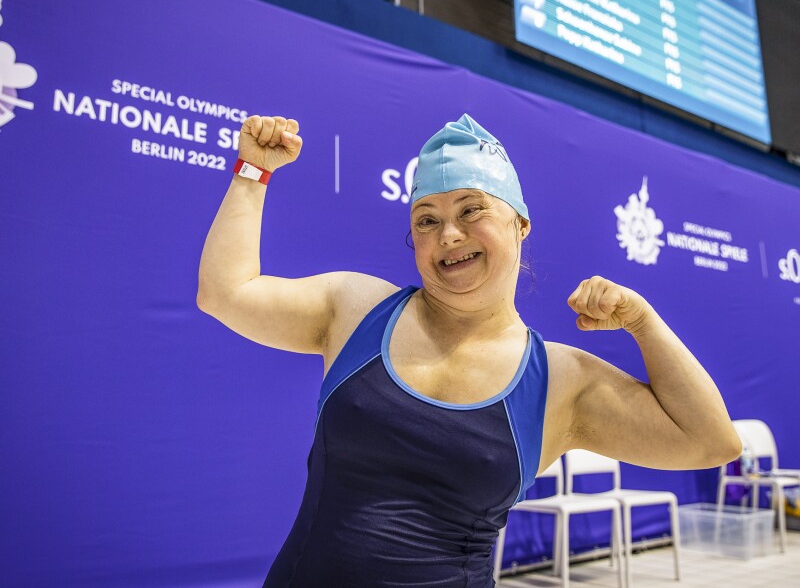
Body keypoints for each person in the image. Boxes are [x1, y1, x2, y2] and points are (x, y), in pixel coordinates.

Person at [197, 114, 741, 588]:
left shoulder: (557, 379)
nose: (449, 234)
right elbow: (226, 293)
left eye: (471, 210)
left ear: (520, 224)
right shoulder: (356, 309)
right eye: (427, 220)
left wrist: (643, 324)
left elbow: (710, 442)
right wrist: (253, 172)